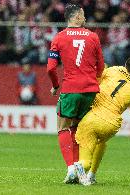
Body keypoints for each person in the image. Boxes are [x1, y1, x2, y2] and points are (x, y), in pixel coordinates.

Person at [46, 4, 105, 183]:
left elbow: (50, 68)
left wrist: (56, 85)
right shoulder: (93, 37)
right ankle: (81, 171)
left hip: (70, 88)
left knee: (63, 127)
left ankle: (71, 168)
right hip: (90, 90)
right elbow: (101, 67)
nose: (85, 18)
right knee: (78, 130)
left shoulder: (59, 37)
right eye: (84, 15)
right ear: (77, 17)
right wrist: (92, 81)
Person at [74, 55, 130, 185]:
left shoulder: (114, 69)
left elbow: (97, 78)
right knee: (101, 142)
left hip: (91, 117)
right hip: (110, 123)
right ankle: (91, 175)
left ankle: (80, 167)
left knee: (85, 159)